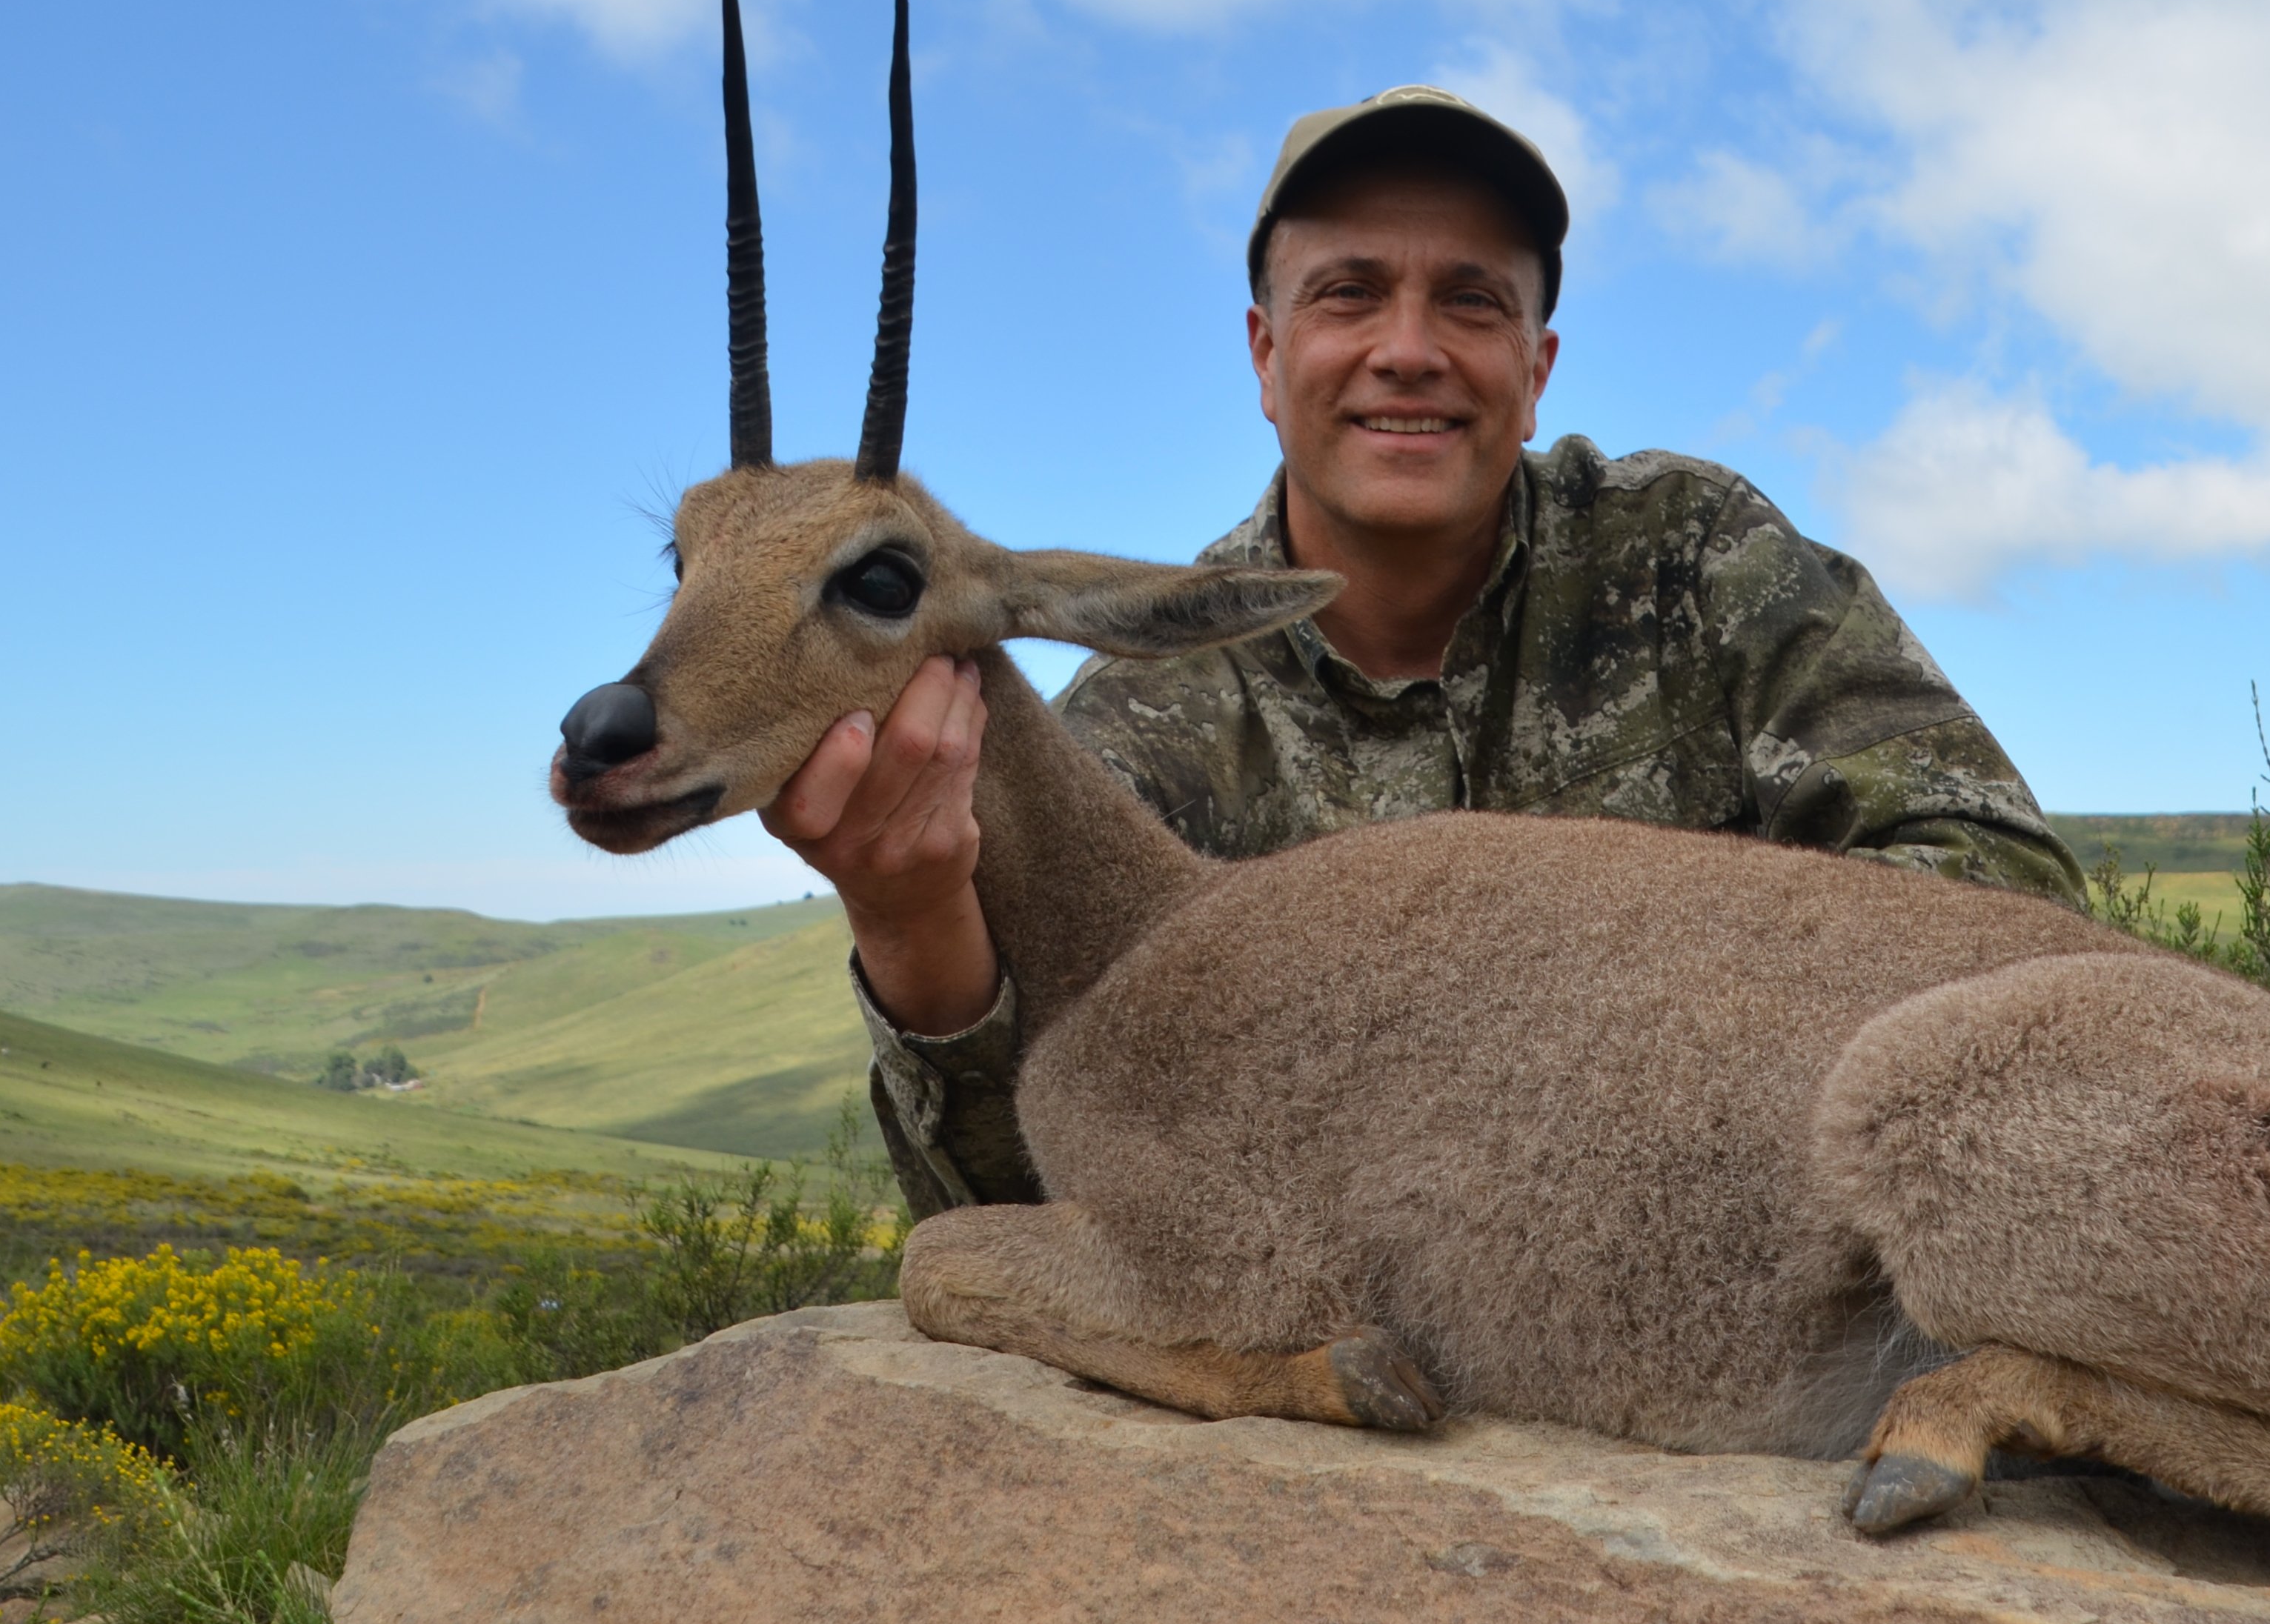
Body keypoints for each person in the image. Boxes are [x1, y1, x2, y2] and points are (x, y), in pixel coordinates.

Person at [763, 85, 2085, 1215]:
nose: (1407, 350)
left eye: (1469, 301)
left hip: (1759, 1251)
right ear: (1265, 354)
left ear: (1536, 362)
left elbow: (2005, 911)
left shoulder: (1699, 555)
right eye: (1349, 295)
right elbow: (1037, 1205)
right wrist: (911, 918)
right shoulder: (1142, 722)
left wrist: (1644, 1041)